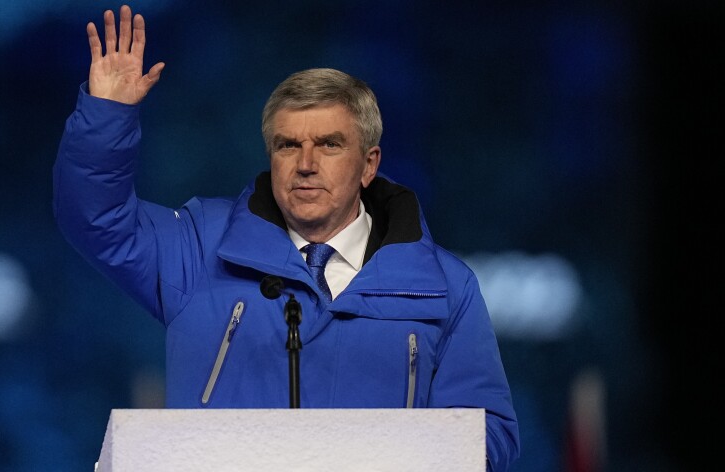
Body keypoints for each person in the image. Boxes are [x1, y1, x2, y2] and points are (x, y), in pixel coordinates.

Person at [53, 5, 519, 471]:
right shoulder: (199, 247)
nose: (306, 163)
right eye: (288, 145)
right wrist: (107, 114)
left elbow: (486, 436)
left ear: (369, 165)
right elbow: (95, 218)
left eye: (329, 144)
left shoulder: (444, 286)